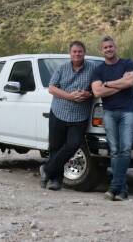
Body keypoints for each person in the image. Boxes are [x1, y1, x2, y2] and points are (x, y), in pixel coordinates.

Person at [40, 41, 96, 190]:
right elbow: (52, 88)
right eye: (74, 51)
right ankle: (55, 180)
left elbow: (96, 87)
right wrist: (70, 96)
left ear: (84, 52)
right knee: (55, 147)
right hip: (59, 111)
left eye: (80, 51)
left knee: (73, 144)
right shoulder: (62, 68)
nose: (77, 54)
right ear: (70, 53)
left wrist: (88, 93)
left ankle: (46, 169)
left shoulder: (93, 68)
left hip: (79, 115)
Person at [91, 35, 133, 201]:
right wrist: (121, 83)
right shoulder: (98, 70)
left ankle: (114, 187)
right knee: (115, 150)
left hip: (128, 111)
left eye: (111, 46)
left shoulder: (128, 63)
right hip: (109, 112)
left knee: (125, 149)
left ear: (115, 47)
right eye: (105, 47)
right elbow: (97, 92)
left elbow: (131, 82)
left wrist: (108, 84)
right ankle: (122, 189)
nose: (108, 49)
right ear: (101, 50)